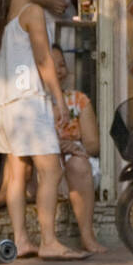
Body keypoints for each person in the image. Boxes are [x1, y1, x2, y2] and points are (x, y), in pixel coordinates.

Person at [0, 0, 89, 260]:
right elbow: (44, 59)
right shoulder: (32, 12)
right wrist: (59, 99)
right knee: (51, 169)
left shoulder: (1, 12)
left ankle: (22, 240)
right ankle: (49, 240)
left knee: (17, 173)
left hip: (5, 102)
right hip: (29, 101)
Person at [49, 44, 105, 253]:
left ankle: (87, 236)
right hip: (46, 164)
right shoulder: (34, 102)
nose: (59, 70)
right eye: (52, 65)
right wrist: (56, 146)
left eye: (62, 65)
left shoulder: (78, 100)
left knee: (79, 163)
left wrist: (72, 148)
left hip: (76, 162)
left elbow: (93, 145)